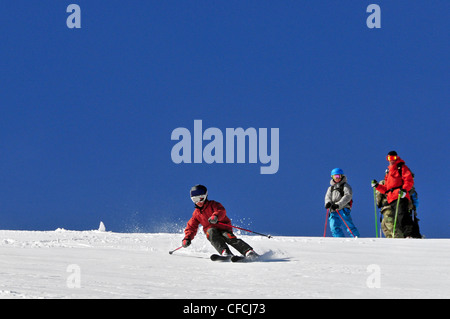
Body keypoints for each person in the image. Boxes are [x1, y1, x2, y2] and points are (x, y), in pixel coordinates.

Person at [182, 184, 258, 258]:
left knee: (228, 237)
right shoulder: (196, 214)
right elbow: (191, 226)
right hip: (211, 231)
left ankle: (248, 251)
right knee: (211, 233)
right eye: (195, 200)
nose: (199, 202)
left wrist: (215, 216)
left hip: (223, 228)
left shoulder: (213, 204)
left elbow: (221, 211)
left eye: (201, 199)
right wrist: (187, 238)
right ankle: (225, 252)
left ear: (205, 196)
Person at [371, 151, 415, 238]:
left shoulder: (401, 167)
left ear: (396, 158)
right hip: (391, 198)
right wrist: (377, 186)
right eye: (390, 158)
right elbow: (386, 189)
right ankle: (401, 236)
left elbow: (409, 180)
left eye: (393, 158)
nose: (392, 160)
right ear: (387, 158)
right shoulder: (389, 173)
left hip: (400, 195)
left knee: (402, 214)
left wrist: (404, 190)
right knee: (396, 218)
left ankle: (409, 234)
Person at [325, 168, 360, 237]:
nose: (337, 178)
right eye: (335, 176)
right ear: (332, 177)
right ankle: (340, 241)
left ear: (342, 176)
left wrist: (338, 205)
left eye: (339, 176)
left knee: (348, 226)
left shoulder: (345, 186)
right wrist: (328, 203)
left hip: (343, 209)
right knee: (334, 227)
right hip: (333, 210)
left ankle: (356, 239)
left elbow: (348, 196)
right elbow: (327, 197)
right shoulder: (331, 188)